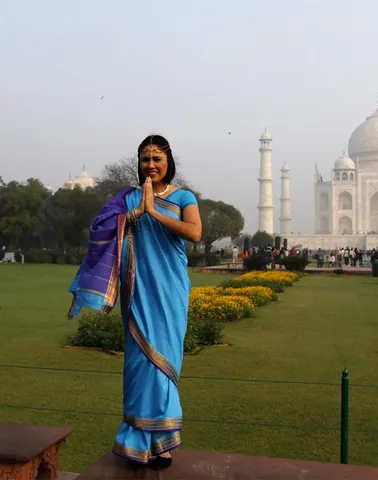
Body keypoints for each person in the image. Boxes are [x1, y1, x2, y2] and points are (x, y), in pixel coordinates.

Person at [68, 135, 202, 469]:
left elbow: (194, 233)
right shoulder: (127, 198)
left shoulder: (183, 196)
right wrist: (134, 212)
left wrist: (153, 212)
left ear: (169, 161)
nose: (151, 165)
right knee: (140, 362)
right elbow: (98, 230)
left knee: (164, 362)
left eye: (157, 158)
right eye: (145, 159)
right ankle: (138, 440)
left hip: (169, 290)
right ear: (138, 162)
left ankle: (162, 442)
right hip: (138, 289)